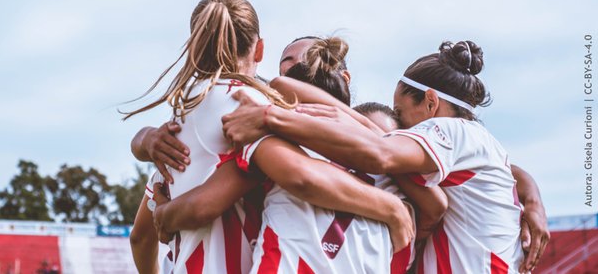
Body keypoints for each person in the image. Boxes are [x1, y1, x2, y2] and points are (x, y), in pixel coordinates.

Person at [125, 0, 413, 273]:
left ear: (194, 47)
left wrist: (143, 142)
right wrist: (390, 208)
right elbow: (301, 176)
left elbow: (141, 237)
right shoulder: (249, 106)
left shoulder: (174, 128)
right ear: (259, 49)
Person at [222, 40, 549, 273]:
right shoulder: (479, 145)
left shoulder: (451, 131)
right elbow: (512, 176)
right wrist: (533, 200)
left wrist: (271, 117)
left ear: (431, 105)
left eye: (400, 112)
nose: (398, 125)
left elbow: (380, 153)